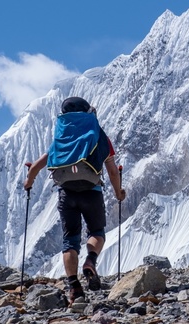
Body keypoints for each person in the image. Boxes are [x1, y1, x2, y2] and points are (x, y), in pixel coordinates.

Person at [25, 96, 126, 304]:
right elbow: (113, 172)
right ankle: (90, 260)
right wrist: (118, 193)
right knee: (96, 232)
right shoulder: (98, 136)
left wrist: (29, 182)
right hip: (92, 191)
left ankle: (75, 289)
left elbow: (36, 166)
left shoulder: (62, 137)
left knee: (70, 240)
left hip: (66, 193)